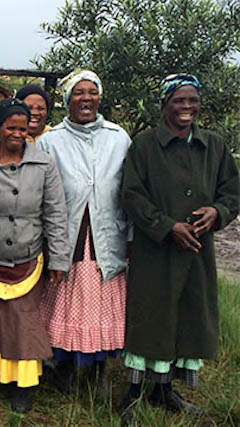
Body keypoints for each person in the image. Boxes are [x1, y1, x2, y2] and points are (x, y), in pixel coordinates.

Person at [120, 74, 239, 421]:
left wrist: (218, 212)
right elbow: (130, 193)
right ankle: (131, 393)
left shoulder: (213, 146)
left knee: (186, 316)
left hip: (197, 251)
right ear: (164, 104)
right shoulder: (144, 144)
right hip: (155, 250)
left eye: (192, 100)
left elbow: (232, 190)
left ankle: (164, 391)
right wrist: (166, 225)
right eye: (179, 100)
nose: (187, 107)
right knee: (150, 316)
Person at [0, 98, 70, 412]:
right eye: (11, 127)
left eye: (23, 128)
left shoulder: (45, 164)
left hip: (28, 256)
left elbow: (55, 213)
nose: (18, 134)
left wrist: (59, 258)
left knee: (23, 322)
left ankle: (21, 386)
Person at [37, 70, 131, 396]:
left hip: (107, 235)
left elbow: (131, 189)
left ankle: (99, 370)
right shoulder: (51, 141)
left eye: (92, 92)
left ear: (100, 97)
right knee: (65, 301)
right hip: (68, 235)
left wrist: (130, 236)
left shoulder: (118, 137)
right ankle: (63, 366)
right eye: (78, 93)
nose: (86, 98)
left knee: (102, 305)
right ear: (66, 101)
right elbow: (42, 192)